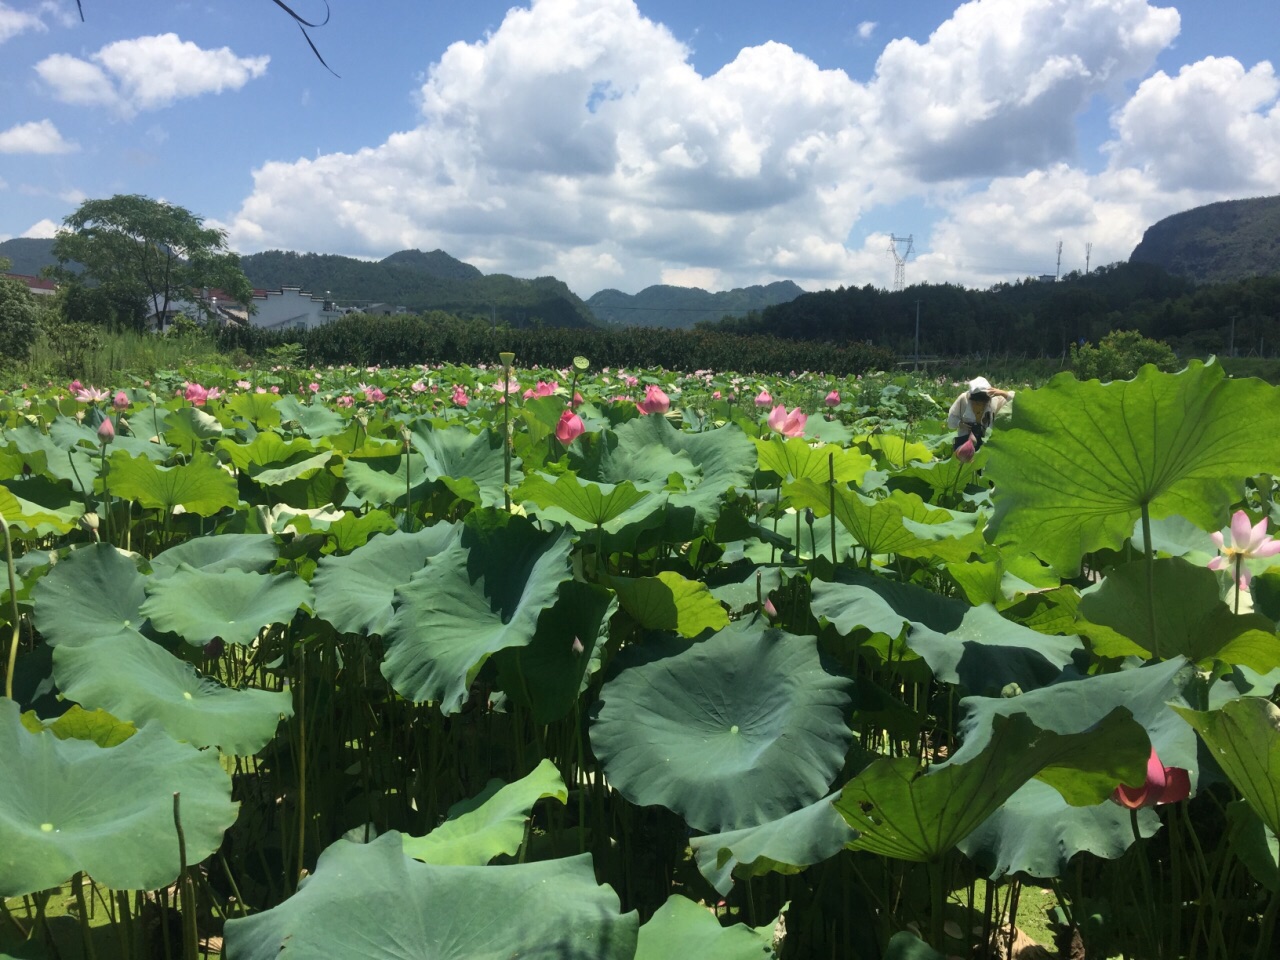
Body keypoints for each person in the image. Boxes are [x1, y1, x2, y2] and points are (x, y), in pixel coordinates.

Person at [946, 377, 1014, 458]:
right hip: (964, 442)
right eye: (976, 402)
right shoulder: (964, 398)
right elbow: (951, 418)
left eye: (983, 402)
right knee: (963, 465)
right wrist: (960, 424)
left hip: (986, 442)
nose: (980, 404)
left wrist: (1003, 393)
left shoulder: (996, 400)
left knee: (982, 466)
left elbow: (1016, 402)